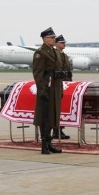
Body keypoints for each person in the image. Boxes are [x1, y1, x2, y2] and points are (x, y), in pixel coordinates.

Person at [32, 27, 63, 155]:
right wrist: (42, 91)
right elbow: (38, 74)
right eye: (51, 38)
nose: (54, 39)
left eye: (54, 38)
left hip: (55, 86)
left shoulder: (55, 52)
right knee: (44, 116)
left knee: (52, 116)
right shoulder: (40, 53)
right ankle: (44, 144)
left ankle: (49, 143)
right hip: (46, 87)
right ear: (45, 39)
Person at [53, 35, 71, 139]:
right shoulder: (55, 54)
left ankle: (60, 129)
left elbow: (68, 71)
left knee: (62, 109)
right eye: (62, 43)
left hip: (65, 84)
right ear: (57, 43)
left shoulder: (64, 55)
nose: (64, 44)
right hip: (58, 83)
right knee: (57, 109)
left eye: (64, 43)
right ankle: (56, 131)